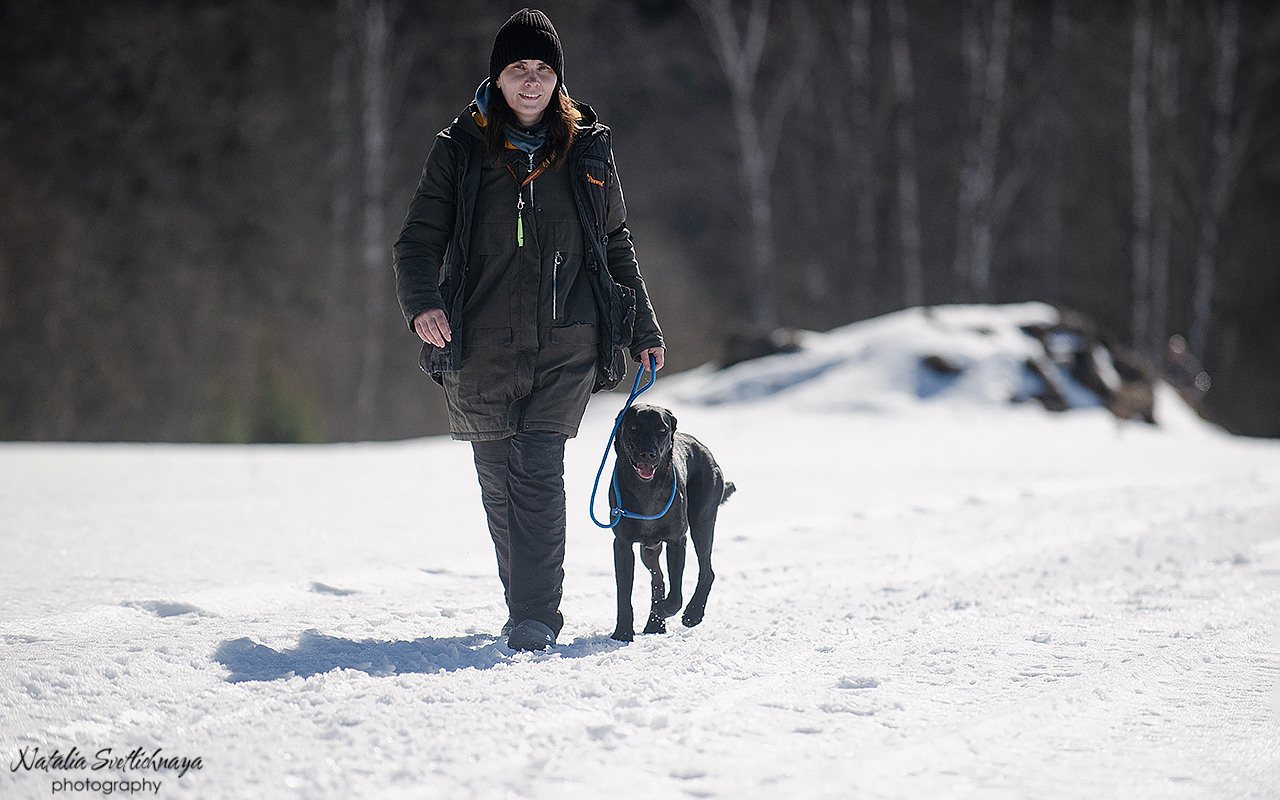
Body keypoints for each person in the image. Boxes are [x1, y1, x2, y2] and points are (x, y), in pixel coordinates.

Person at [393, 8, 665, 651]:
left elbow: (614, 242)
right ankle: (524, 602)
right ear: (499, 77)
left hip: (565, 341)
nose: (532, 81)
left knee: (538, 469)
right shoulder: (458, 151)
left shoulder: (588, 151)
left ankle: (536, 615)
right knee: (498, 476)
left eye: (543, 70)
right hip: (477, 343)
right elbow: (416, 243)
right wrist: (422, 305)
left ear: (558, 80)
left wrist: (643, 326)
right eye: (520, 69)